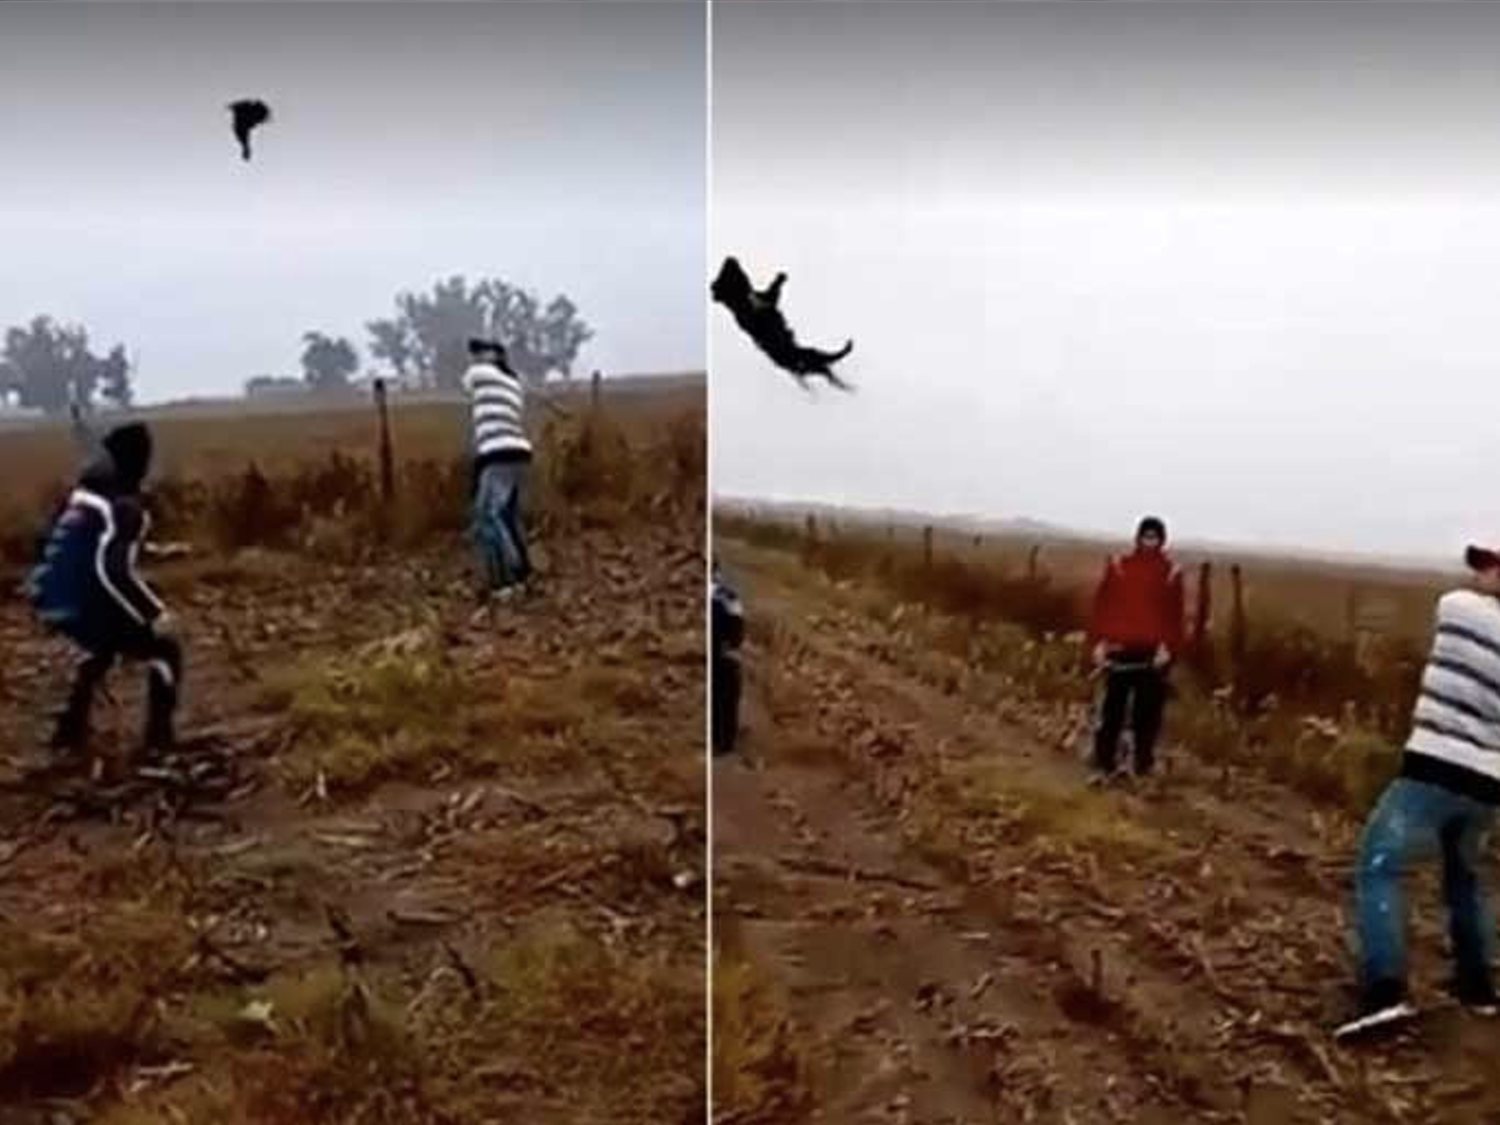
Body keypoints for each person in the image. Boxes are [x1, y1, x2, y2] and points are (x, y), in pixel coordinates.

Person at [1334, 544, 1500, 1040]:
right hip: (1489, 779)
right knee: (1463, 875)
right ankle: (1477, 987)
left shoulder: (1460, 609)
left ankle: (1385, 991)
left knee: (1378, 863)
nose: (1480, 574)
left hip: (1435, 767)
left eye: (1490, 565)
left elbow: (1462, 605)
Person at [25, 420, 181, 760]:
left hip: (48, 595)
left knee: (105, 644)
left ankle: (69, 730)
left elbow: (70, 546)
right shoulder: (126, 508)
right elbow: (112, 571)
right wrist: (154, 613)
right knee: (165, 650)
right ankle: (159, 737)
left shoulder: (84, 496)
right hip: (81, 599)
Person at [1086, 515, 1185, 780]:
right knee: (1113, 709)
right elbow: (1102, 606)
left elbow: (1174, 616)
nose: (1149, 542)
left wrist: (1168, 648)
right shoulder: (1119, 567)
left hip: (1152, 653)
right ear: (1138, 538)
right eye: (1145, 536)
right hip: (1119, 647)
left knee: (1147, 714)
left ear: (1162, 541)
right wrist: (1099, 643)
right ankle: (1104, 759)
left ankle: (1142, 763)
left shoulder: (1171, 572)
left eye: (1154, 537)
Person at [462, 337, 533, 601]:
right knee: (508, 517)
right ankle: (524, 573)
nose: (475, 358)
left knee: (487, 517)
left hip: (498, 452)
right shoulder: (514, 384)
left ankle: (506, 581)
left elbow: (466, 384)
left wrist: (486, 365)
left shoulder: (479, 375)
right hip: (519, 453)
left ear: (492, 356)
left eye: (480, 353)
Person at [711, 561, 745, 757]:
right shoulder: (728, 595)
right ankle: (724, 742)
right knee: (726, 698)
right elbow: (737, 627)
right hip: (723, 652)